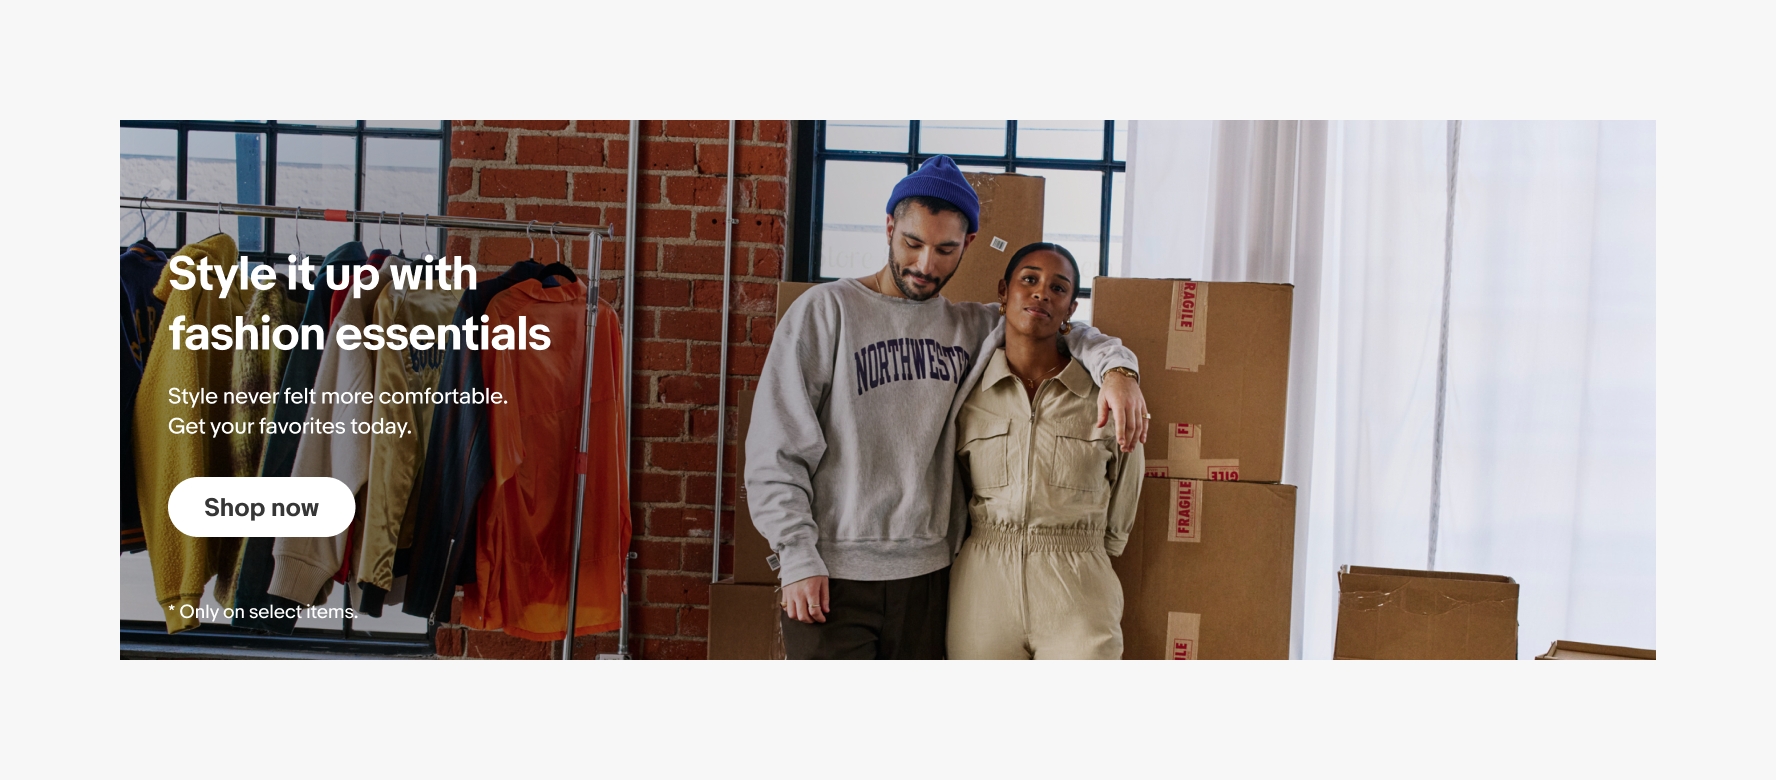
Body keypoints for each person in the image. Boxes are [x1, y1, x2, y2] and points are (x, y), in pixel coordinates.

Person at [746, 155, 1150, 659]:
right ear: (889, 226)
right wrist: (796, 556)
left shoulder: (971, 328)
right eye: (912, 243)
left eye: (944, 249)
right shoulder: (827, 312)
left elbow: (1056, 322)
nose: (925, 265)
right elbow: (776, 447)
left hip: (931, 578)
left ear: (969, 246)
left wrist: (1119, 372)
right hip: (832, 575)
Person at [946, 243, 1144, 660]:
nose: (1042, 294)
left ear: (1071, 308)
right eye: (1029, 280)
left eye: (1058, 288)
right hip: (982, 585)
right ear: (1004, 291)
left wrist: (1089, 553)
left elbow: (1127, 477)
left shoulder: (1104, 398)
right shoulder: (969, 396)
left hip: (1079, 585)